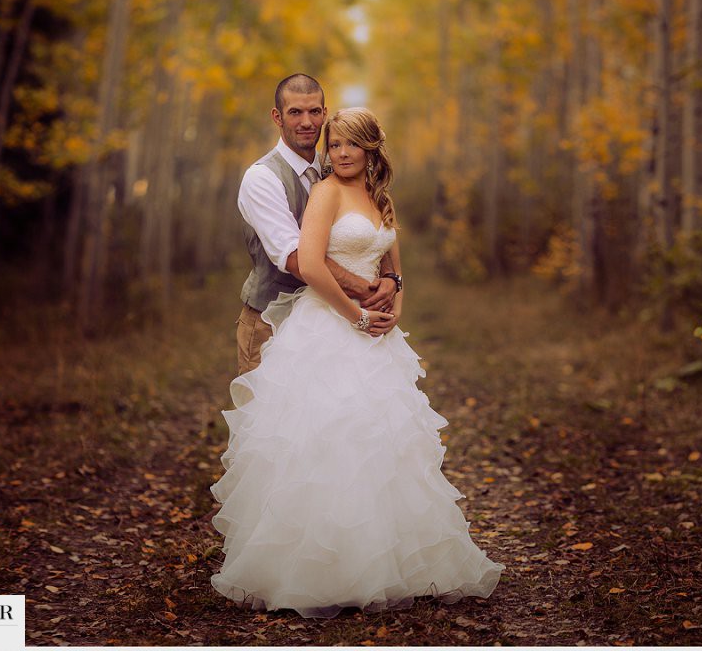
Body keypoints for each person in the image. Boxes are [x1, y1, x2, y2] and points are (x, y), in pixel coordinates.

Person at [211, 107, 504, 617]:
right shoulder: (325, 193)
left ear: (371, 151)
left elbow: (395, 270)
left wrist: (392, 311)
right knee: (326, 440)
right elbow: (314, 264)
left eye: (353, 145)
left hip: (376, 337)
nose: (342, 153)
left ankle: (387, 564)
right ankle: (317, 569)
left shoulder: (380, 199)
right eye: (335, 144)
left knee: (381, 445)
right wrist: (355, 316)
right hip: (327, 327)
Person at [235, 74, 397, 375]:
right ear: (277, 117)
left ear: (324, 113)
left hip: (335, 321)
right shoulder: (262, 178)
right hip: (271, 321)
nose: (306, 121)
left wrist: (390, 277)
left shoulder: (340, 166)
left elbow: (370, 232)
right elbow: (296, 259)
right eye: (295, 112)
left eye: (314, 111)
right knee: (275, 419)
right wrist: (366, 290)